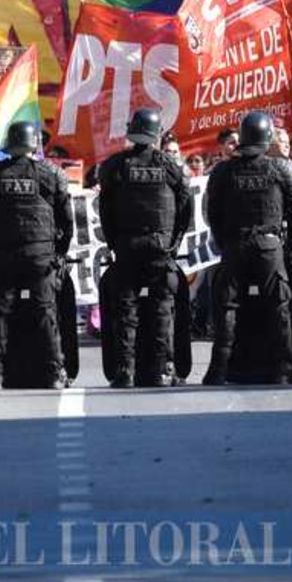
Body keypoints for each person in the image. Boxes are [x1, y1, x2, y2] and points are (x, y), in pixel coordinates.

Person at [204, 111, 292, 385]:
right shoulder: (281, 169)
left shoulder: (223, 170)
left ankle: (218, 370)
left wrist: (225, 243)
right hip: (269, 246)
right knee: (279, 307)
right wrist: (285, 246)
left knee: (227, 306)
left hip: (235, 244)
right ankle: (283, 369)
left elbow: (212, 213)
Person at [96, 108, 193, 388]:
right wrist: (172, 244)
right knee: (162, 308)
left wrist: (115, 244)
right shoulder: (172, 166)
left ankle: (126, 370)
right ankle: (163, 370)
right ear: (157, 134)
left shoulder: (114, 166)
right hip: (160, 248)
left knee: (127, 309)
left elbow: (106, 210)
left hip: (127, 246)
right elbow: (185, 208)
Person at [0, 121, 75, 390]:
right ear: (35, 144)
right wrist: (58, 254)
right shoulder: (52, 174)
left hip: (5, 255)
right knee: (45, 312)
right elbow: (66, 220)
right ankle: (56, 372)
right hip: (40, 256)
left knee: (0, 314)